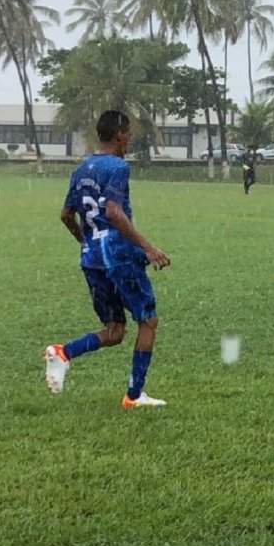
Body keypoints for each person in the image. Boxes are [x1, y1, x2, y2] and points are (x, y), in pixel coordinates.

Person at [44, 110, 172, 408]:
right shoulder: (117, 167)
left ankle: (63, 352)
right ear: (119, 135)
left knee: (115, 331)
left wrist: (86, 241)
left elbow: (66, 215)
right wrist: (149, 248)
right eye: (128, 135)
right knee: (148, 321)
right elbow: (114, 212)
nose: (129, 140)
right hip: (119, 257)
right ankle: (134, 395)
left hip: (92, 260)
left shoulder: (82, 168)